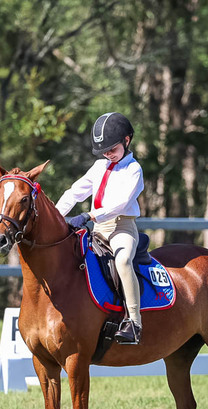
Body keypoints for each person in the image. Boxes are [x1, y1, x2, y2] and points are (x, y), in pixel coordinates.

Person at [56, 112, 144, 345]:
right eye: (104, 150)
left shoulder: (133, 169)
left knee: (123, 261)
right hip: (97, 228)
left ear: (127, 141)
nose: (108, 154)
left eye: (112, 149)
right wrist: (56, 216)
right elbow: (75, 192)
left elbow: (121, 203)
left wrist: (88, 214)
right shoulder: (98, 167)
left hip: (121, 227)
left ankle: (134, 322)